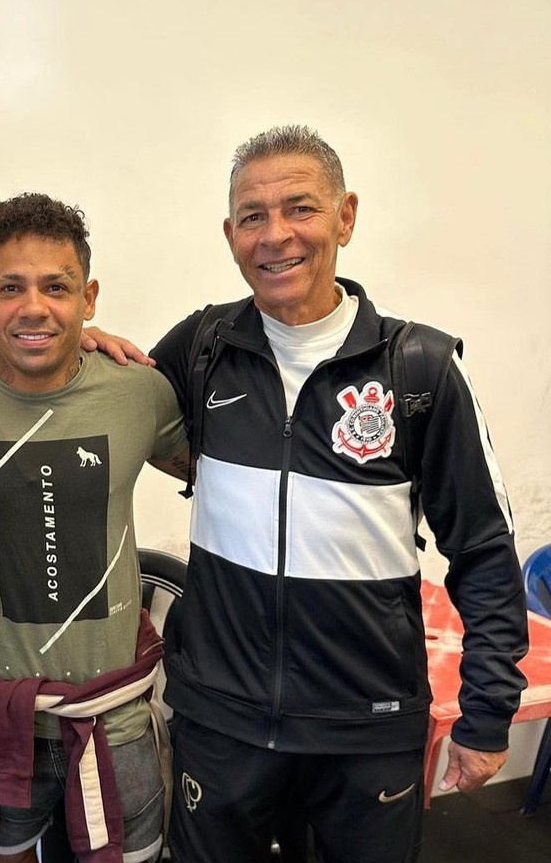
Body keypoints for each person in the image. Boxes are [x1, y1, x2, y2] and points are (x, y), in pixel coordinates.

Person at [146, 125, 529, 862]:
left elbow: (483, 550)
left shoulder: (419, 367)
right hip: (222, 724)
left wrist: (487, 711)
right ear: (230, 235)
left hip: (365, 731)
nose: (275, 235)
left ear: (345, 217)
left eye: (300, 208)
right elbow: (104, 403)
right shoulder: (202, 347)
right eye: (253, 216)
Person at [0, 193, 189, 863]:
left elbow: (216, 470)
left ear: (88, 297)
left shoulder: (137, 391)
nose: (33, 307)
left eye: (56, 287)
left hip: (117, 719)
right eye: (11, 288)